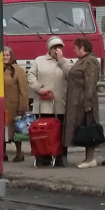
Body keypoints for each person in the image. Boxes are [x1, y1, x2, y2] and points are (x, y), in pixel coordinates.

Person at [27, 35, 71, 167]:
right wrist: (39, 88)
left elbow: (71, 75)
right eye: (54, 47)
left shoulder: (66, 62)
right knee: (43, 132)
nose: (57, 50)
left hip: (59, 104)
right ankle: (43, 156)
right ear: (49, 49)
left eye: (59, 47)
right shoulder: (39, 61)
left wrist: (61, 60)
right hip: (43, 104)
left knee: (59, 132)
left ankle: (60, 156)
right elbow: (30, 75)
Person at [66, 36, 101, 168]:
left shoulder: (90, 61)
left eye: (75, 48)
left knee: (88, 129)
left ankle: (90, 159)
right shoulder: (82, 61)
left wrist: (88, 102)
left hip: (84, 101)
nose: (74, 51)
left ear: (82, 48)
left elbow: (91, 83)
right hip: (78, 101)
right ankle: (87, 158)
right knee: (83, 128)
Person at [2, 46, 30, 162]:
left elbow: (24, 89)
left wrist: (23, 106)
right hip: (1, 105)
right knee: (1, 129)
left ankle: (19, 153)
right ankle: (2, 153)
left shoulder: (18, 70)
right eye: (3, 55)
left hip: (14, 105)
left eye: (7, 55)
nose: (5, 57)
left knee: (17, 129)